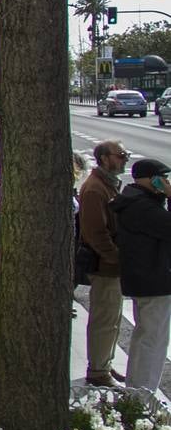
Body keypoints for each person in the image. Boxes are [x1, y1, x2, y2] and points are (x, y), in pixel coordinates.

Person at [113, 158, 171, 393]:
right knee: (153, 339)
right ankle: (143, 392)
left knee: (144, 335)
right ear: (147, 179)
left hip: (144, 277)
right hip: (153, 279)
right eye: (161, 178)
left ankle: (137, 387)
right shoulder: (142, 206)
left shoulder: (134, 200)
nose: (165, 182)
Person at [79, 140, 128, 387]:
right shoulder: (95, 189)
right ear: (104, 158)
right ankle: (98, 370)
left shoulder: (107, 185)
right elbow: (95, 233)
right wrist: (116, 257)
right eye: (120, 155)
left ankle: (104, 364)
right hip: (105, 266)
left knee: (112, 319)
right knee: (104, 319)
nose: (124, 159)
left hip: (111, 266)